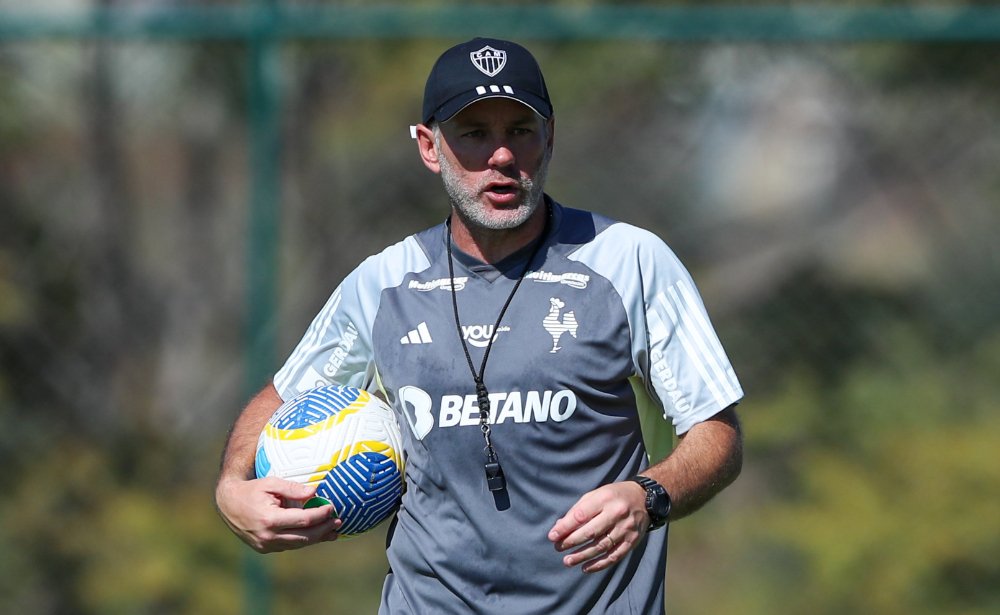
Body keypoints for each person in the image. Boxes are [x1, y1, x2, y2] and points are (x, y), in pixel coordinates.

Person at [215, 37, 744, 614]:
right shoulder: (383, 283)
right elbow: (286, 395)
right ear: (428, 145)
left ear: (550, 138)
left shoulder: (630, 262)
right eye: (474, 133)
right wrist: (231, 489)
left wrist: (649, 495)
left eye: (520, 130)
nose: (501, 156)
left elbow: (718, 433)